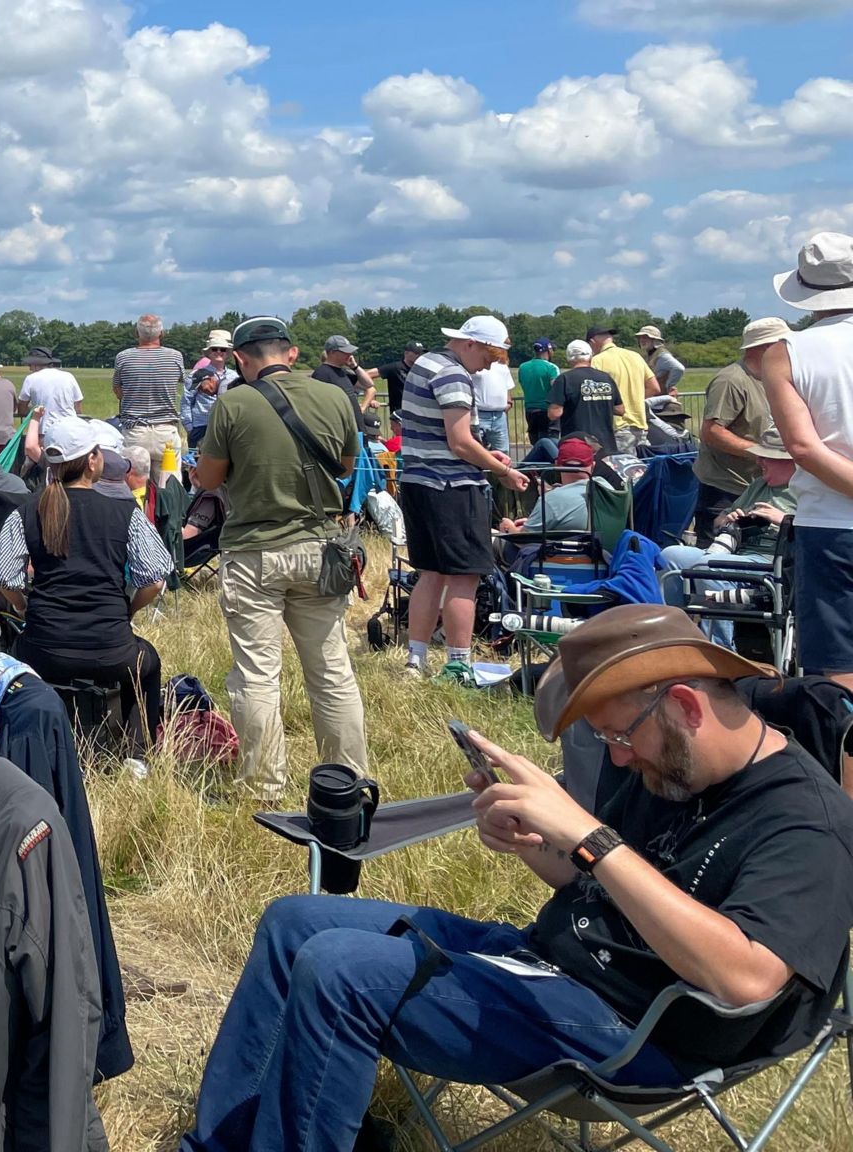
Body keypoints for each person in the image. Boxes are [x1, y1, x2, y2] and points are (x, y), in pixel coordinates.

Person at [177, 603, 853, 1152]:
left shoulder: (807, 823)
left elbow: (746, 978)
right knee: (295, 922)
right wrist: (539, 845)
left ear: (686, 705)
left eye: (619, 736)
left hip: (636, 1032)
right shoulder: (668, 765)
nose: (617, 758)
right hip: (550, 968)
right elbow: (604, 884)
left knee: (338, 968)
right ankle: (224, 1143)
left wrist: (591, 838)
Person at [191, 316, 368, 805]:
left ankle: (264, 784)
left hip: (254, 550)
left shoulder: (233, 403)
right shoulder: (336, 397)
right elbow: (348, 467)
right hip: (321, 549)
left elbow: (206, 480)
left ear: (242, 360)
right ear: (291, 354)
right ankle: (347, 781)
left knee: (256, 675)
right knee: (332, 669)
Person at [0, 416, 176, 774]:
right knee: (148, 662)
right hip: (112, 648)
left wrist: (24, 607)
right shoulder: (123, 510)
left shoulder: (28, 510)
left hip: (43, 649)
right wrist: (127, 610)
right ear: (93, 459)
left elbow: (2, 570)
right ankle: (135, 754)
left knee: (15, 655)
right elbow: (156, 576)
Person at [397, 315, 531, 684]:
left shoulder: (425, 364)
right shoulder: (454, 375)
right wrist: (503, 470)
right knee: (464, 577)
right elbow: (459, 442)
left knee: (431, 574)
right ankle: (458, 664)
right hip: (452, 488)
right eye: (490, 355)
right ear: (470, 344)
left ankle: (416, 660)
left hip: (418, 482)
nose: (490, 364)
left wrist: (487, 455)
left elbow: (447, 437)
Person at [759, 231, 853, 693]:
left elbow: (802, 447)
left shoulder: (788, 351)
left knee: (840, 676)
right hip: (829, 525)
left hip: (831, 526)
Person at [660, 428, 798, 647]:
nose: (759, 461)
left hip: (773, 564)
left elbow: (816, 533)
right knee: (671, 555)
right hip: (736, 554)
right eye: (759, 455)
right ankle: (680, 639)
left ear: (790, 461)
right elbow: (717, 524)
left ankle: (720, 651)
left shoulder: (807, 490)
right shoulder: (758, 485)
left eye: (767, 457)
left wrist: (782, 519)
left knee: (708, 565)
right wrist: (728, 518)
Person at [692, 318, 786, 543]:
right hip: (725, 488)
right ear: (765, 347)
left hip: (754, 485)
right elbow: (712, 431)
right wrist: (761, 453)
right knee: (714, 553)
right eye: (783, 344)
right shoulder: (731, 380)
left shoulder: (771, 379)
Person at [112, 313, 187, 487]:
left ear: (136, 334)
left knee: (135, 488)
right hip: (165, 432)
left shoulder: (123, 357)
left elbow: (118, 390)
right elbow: (181, 380)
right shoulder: (175, 356)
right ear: (162, 334)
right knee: (169, 489)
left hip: (135, 431)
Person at [498, 436, 597, 535]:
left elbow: (521, 539)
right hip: (599, 548)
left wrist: (508, 527)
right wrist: (532, 522)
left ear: (557, 464)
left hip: (559, 549)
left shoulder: (551, 499)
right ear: (593, 466)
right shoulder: (608, 491)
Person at [589, 325, 659, 454]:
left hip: (617, 426)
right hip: (640, 425)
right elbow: (654, 387)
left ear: (592, 342)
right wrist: (635, 400)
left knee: (623, 471)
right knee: (642, 468)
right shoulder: (635, 356)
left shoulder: (597, 361)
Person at [548, 339, 622, 457]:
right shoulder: (606, 377)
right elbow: (620, 409)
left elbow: (554, 413)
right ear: (590, 356)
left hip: (577, 444)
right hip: (606, 444)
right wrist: (598, 400)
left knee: (581, 475)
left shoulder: (564, 379)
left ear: (569, 357)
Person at [308, 334, 380, 441]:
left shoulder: (344, 372)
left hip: (356, 429)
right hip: (341, 433)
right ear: (332, 352)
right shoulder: (322, 374)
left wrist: (354, 367)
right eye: (345, 352)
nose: (349, 354)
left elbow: (368, 384)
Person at [18, 346, 83, 421]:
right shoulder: (69, 376)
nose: (30, 368)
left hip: (45, 430)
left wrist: (33, 411)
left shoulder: (30, 379)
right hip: (69, 427)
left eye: (30, 365)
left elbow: (22, 408)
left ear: (36, 364)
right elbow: (78, 406)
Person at [368, 339, 427, 415]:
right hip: (399, 414)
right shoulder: (395, 368)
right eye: (416, 353)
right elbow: (368, 375)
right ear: (406, 353)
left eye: (421, 353)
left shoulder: (422, 369)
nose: (419, 356)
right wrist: (371, 398)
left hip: (418, 413)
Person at [520, 339, 562, 445]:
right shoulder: (551, 368)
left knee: (535, 443)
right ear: (548, 350)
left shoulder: (523, 367)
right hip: (546, 410)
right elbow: (555, 387)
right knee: (550, 444)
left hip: (530, 410)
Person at [637, 325, 687, 395]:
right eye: (640, 337)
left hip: (660, 397)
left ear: (655, 340)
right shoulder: (650, 355)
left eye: (645, 337)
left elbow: (679, 368)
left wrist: (668, 386)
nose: (642, 340)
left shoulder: (662, 355)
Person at [184, 366, 222, 447]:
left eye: (201, 387)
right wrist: (189, 427)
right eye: (198, 390)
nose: (201, 391)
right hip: (199, 425)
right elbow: (186, 402)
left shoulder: (225, 390)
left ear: (210, 380)